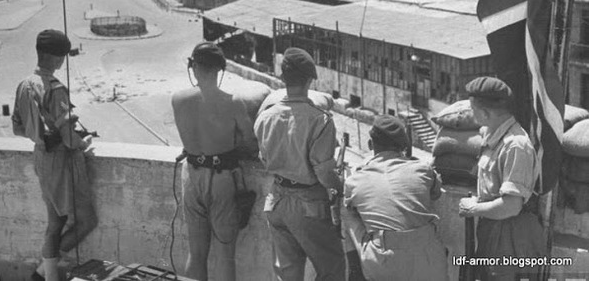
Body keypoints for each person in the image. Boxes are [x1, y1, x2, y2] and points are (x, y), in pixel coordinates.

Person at [12, 29, 97, 281]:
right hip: (61, 162)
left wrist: (43, 134)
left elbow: (18, 127)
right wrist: (85, 143)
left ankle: (45, 277)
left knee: (55, 223)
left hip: (41, 157)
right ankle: (42, 272)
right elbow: (70, 138)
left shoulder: (25, 84)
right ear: (57, 58)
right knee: (87, 220)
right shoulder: (55, 88)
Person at [254, 47, 345, 281]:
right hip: (308, 204)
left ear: (283, 78)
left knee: (288, 273)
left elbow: (263, 159)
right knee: (332, 269)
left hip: (276, 201)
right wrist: (340, 185)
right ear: (309, 80)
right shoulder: (320, 119)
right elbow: (324, 172)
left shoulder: (265, 116)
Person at [171, 41, 259, 281]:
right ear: (220, 70)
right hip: (221, 177)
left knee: (197, 253)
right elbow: (251, 143)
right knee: (225, 254)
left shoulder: (178, 99)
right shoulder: (233, 103)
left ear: (193, 66)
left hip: (190, 175)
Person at [458, 76, 546, 281]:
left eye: (473, 110)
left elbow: (511, 206)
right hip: (493, 233)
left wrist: (472, 209)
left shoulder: (515, 146)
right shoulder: (493, 137)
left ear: (486, 113)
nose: (471, 114)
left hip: (511, 239)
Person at [342, 115, 448, 281]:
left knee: (348, 212)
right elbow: (436, 194)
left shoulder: (354, 181)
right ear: (404, 146)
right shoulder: (423, 169)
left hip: (384, 262)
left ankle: (354, 273)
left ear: (371, 145)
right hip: (428, 256)